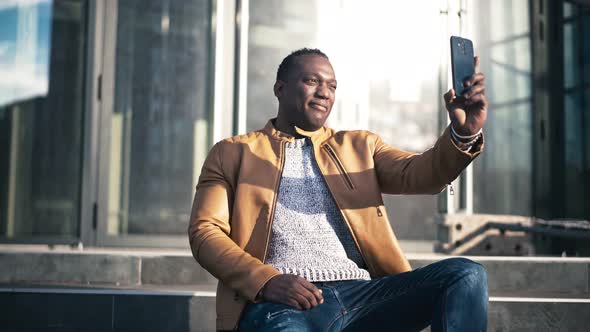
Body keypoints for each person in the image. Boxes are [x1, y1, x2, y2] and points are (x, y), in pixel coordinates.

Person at [189, 48, 488, 331]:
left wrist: (463, 133)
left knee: (465, 275)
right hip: (283, 303)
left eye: (332, 86)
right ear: (280, 89)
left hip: (365, 297)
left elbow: (422, 174)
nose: (324, 92)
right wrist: (266, 281)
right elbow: (206, 232)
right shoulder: (232, 153)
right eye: (311, 81)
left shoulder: (359, 146)